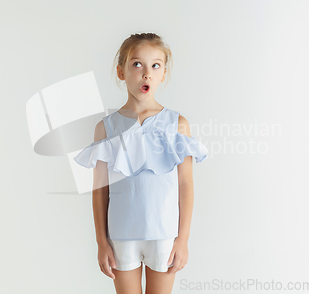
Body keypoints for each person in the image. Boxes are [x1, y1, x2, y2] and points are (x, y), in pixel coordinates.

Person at [73, 32, 208, 294]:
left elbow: (186, 185)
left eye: (155, 65)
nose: (146, 73)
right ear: (121, 72)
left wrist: (183, 239)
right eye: (137, 64)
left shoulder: (177, 125)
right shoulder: (107, 128)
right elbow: (101, 191)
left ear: (163, 74)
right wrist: (102, 241)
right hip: (122, 235)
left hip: (164, 234)